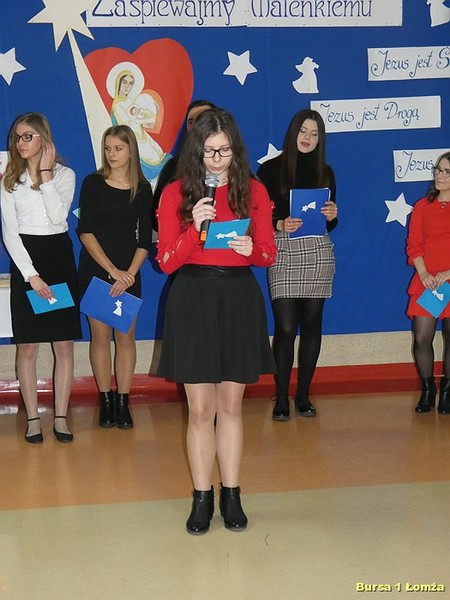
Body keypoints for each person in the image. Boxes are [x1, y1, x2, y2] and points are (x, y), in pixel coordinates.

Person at [156, 107, 276, 534]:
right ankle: (202, 496)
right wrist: (195, 228)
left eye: (224, 150)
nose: (218, 159)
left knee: (230, 406)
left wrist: (250, 249)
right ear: (196, 151)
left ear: (235, 149)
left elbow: (268, 253)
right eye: (209, 151)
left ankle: (232, 494)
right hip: (193, 297)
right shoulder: (175, 193)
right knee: (200, 408)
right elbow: (166, 262)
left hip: (238, 296)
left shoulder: (254, 190)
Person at [1, 112, 81, 443]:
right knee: (28, 346)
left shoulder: (64, 175)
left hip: (58, 258)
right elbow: (10, 233)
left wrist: (45, 174)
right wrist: (31, 276)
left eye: (28, 136)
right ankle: (33, 418)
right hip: (27, 261)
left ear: (43, 139)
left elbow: (59, 216)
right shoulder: (9, 178)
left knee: (63, 344)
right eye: (17, 137)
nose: (21, 143)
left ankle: (60, 417)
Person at [257, 109, 338, 421]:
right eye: (303, 131)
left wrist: (332, 215)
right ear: (293, 133)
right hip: (283, 250)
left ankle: (303, 395)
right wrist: (278, 224)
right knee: (286, 327)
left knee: (312, 324)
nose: (308, 138)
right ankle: (281, 396)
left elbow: (330, 224)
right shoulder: (269, 170)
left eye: (314, 134)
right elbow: (257, 216)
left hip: (317, 250)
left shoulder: (326, 172)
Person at [77, 125, 153, 429]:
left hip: (129, 275)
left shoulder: (142, 189)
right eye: (107, 148)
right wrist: (112, 271)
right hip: (98, 271)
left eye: (118, 148)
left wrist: (128, 275)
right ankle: (105, 400)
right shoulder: (93, 183)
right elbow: (85, 232)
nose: (111, 154)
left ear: (131, 150)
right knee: (100, 338)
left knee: (125, 338)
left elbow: (145, 240)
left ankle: (123, 401)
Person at [406, 151, 450, 414]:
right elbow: (414, 244)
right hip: (429, 282)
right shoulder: (423, 206)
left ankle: (447, 390)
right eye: (438, 170)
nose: (439, 176)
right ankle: (427, 389)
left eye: (446, 172)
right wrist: (423, 274)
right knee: (423, 337)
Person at [152, 99, 216, 220]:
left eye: (202, 119)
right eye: (191, 121)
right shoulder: (173, 166)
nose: (196, 125)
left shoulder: (231, 165)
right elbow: (157, 214)